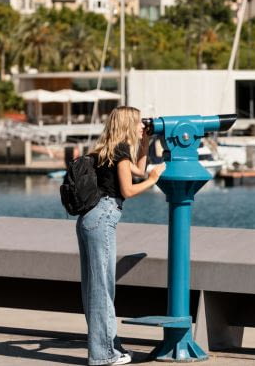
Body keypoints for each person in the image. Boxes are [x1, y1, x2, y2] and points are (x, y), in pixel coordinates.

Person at [77, 106, 165, 366]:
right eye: (139, 123)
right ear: (128, 124)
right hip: (103, 217)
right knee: (103, 289)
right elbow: (128, 189)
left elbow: (137, 170)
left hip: (89, 218)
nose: (142, 126)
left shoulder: (106, 149)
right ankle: (103, 355)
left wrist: (146, 142)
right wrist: (154, 179)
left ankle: (108, 347)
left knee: (95, 288)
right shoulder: (120, 151)